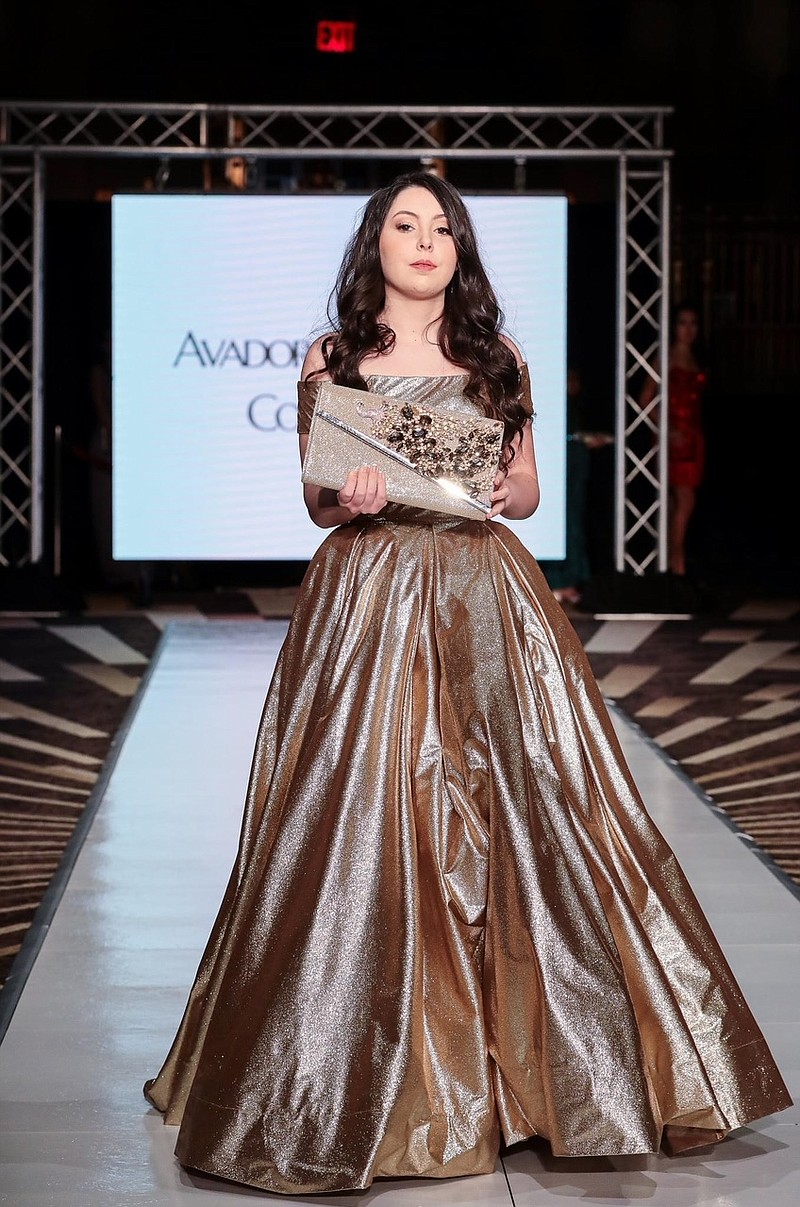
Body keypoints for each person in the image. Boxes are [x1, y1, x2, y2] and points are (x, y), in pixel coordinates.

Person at [143, 173, 790, 1195]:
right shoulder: (336, 359)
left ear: (460, 250)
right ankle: (359, 1067)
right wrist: (344, 496)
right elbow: (316, 505)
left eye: (442, 227)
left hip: (484, 595)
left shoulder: (495, 358)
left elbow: (525, 489)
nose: (425, 240)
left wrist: (499, 486)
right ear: (374, 245)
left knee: (523, 805)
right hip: (368, 594)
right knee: (369, 809)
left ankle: (541, 1068)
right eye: (404, 224)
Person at [640, 303, 708, 576]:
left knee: (679, 501)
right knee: (683, 498)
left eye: (693, 323)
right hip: (675, 436)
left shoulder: (696, 357)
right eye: (683, 323)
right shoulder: (665, 357)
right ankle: (675, 564)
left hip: (694, 436)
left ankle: (672, 562)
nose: (688, 329)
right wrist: (666, 429)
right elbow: (645, 399)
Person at [540, 365, 613, 606]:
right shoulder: (553, 404)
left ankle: (568, 581)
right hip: (562, 467)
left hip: (575, 466)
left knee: (574, 522)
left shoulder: (575, 407)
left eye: (575, 380)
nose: (574, 385)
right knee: (564, 524)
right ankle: (559, 581)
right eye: (570, 379)